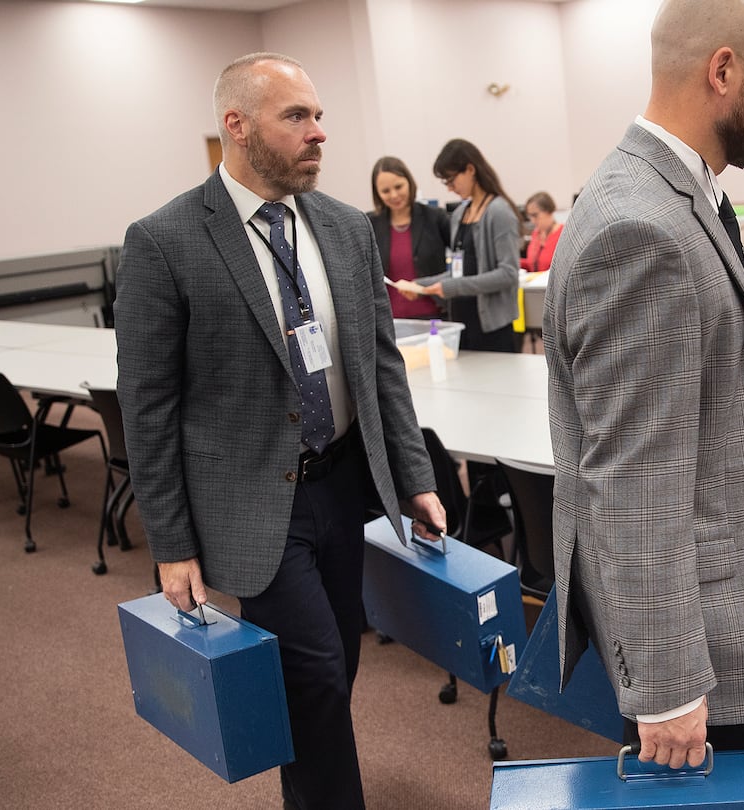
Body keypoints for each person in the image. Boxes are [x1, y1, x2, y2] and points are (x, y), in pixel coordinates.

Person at [113, 52, 447, 809]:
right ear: (235, 125)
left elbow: (379, 367)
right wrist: (171, 547)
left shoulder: (343, 227)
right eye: (297, 117)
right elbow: (149, 406)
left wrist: (416, 477)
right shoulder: (165, 241)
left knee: (331, 678)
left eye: (319, 115)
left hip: (348, 488)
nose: (319, 133)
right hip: (260, 506)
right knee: (319, 675)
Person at [544, 0, 744, 771]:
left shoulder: (674, 194)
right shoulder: (639, 231)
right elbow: (633, 481)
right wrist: (668, 687)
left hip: (735, 620)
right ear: (725, 70)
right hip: (718, 654)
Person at [395, 138, 520, 353]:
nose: (450, 188)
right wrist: (420, 286)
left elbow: (508, 274)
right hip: (462, 324)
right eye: (446, 183)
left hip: (492, 330)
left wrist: (450, 287)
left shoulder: (499, 212)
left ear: (470, 170)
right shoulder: (460, 214)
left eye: (451, 180)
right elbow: (457, 272)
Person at [367, 156, 450, 320]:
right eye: (385, 191)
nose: (394, 195)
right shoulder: (369, 224)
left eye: (399, 186)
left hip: (435, 316)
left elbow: (461, 259)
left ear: (409, 183)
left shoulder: (435, 218)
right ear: (377, 193)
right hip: (390, 320)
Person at [520, 191, 565, 273]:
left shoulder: (563, 234)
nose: (532, 221)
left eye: (535, 215)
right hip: (534, 284)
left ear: (548, 211)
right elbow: (532, 264)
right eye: (530, 216)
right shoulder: (536, 234)